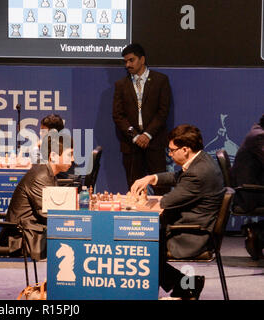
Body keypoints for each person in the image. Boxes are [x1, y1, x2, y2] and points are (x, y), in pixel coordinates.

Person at [131, 124, 225, 299]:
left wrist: (142, 202)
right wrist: (152, 178)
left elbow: (167, 202)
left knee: (142, 247)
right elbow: (177, 177)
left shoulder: (198, 173)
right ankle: (187, 285)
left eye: (172, 150)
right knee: (145, 243)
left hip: (192, 234)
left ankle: (185, 285)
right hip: (192, 224)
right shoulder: (201, 159)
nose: (170, 154)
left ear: (185, 149)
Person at [0, 133, 74, 260]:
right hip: (21, 237)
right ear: (53, 156)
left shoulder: (47, 172)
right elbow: (46, 214)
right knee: (72, 242)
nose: (72, 159)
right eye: (69, 155)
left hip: (32, 231)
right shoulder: (41, 176)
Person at [112, 43, 171, 195]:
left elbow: (163, 112)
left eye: (131, 60)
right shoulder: (121, 85)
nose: (127, 65)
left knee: (161, 188)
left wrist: (147, 134)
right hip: (131, 145)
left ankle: (163, 218)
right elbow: (118, 115)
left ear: (142, 59)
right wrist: (136, 136)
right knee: (134, 189)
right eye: (125, 61)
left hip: (155, 142)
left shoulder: (160, 81)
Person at [230, 114, 264, 260]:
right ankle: (258, 233)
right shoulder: (258, 136)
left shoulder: (258, 132)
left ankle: (257, 233)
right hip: (250, 193)